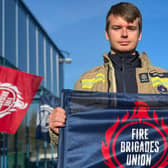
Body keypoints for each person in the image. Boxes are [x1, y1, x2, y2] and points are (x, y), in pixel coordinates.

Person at [49, 2, 168, 145]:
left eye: (131, 28)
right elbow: (74, 144)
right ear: (107, 33)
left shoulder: (164, 78)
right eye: (117, 28)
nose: (124, 34)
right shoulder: (86, 81)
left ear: (139, 34)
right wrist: (57, 130)